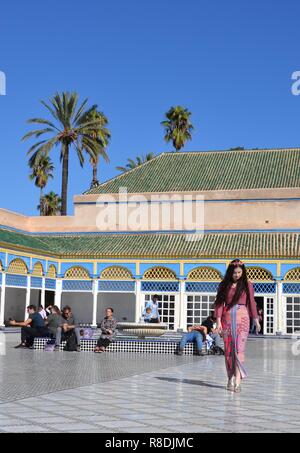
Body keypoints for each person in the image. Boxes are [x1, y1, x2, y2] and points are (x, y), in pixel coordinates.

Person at [214, 259, 261, 393]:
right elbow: (219, 303)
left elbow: (252, 302)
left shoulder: (247, 285)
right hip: (227, 319)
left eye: (240, 272)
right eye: (235, 273)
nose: (237, 275)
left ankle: (238, 381)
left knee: (239, 350)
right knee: (229, 351)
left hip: (243, 320)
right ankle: (230, 377)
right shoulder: (224, 285)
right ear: (230, 272)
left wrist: (256, 319)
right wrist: (218, 322)